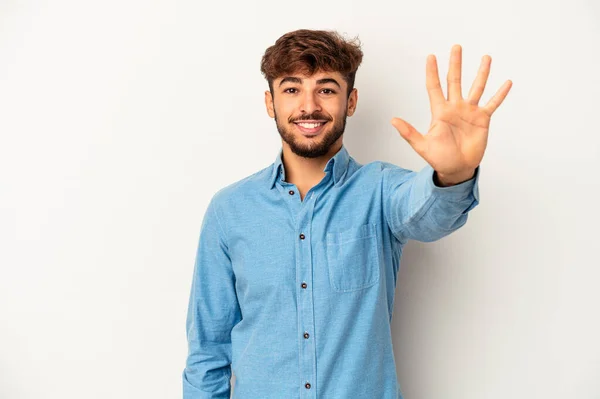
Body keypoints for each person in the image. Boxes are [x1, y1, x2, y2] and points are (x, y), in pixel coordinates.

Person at [182, 29, 512, 399]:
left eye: (326, 89)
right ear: (270, 103)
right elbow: (208, 350)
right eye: (292, 89)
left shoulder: (381, 190)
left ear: (350, 101)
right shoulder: (229, 210)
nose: (309, 106)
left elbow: (430, 214)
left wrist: (453, 174)